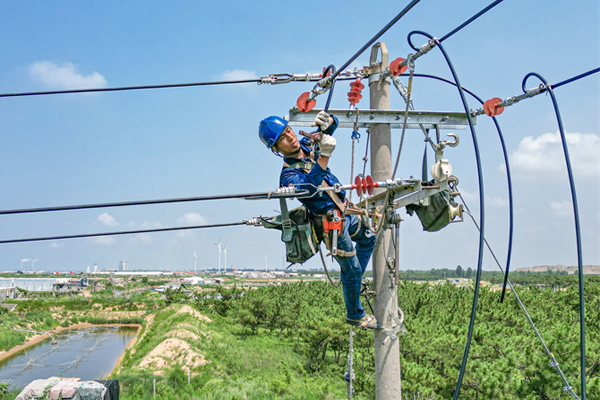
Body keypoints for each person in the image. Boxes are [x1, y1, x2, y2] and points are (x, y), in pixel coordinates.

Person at [258, 111, 378, 330]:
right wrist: (324, 156)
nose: (290, 137)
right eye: (283, 138)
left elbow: (327, 132)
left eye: (288, 130)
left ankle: (354, 282)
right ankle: (355, 314)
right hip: (331, 225)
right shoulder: (288, 176)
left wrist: (330, 121)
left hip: (345, 212)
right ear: (276, 149)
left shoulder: (305, 146)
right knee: (351, 270)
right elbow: (310, 187)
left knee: (369, 236)